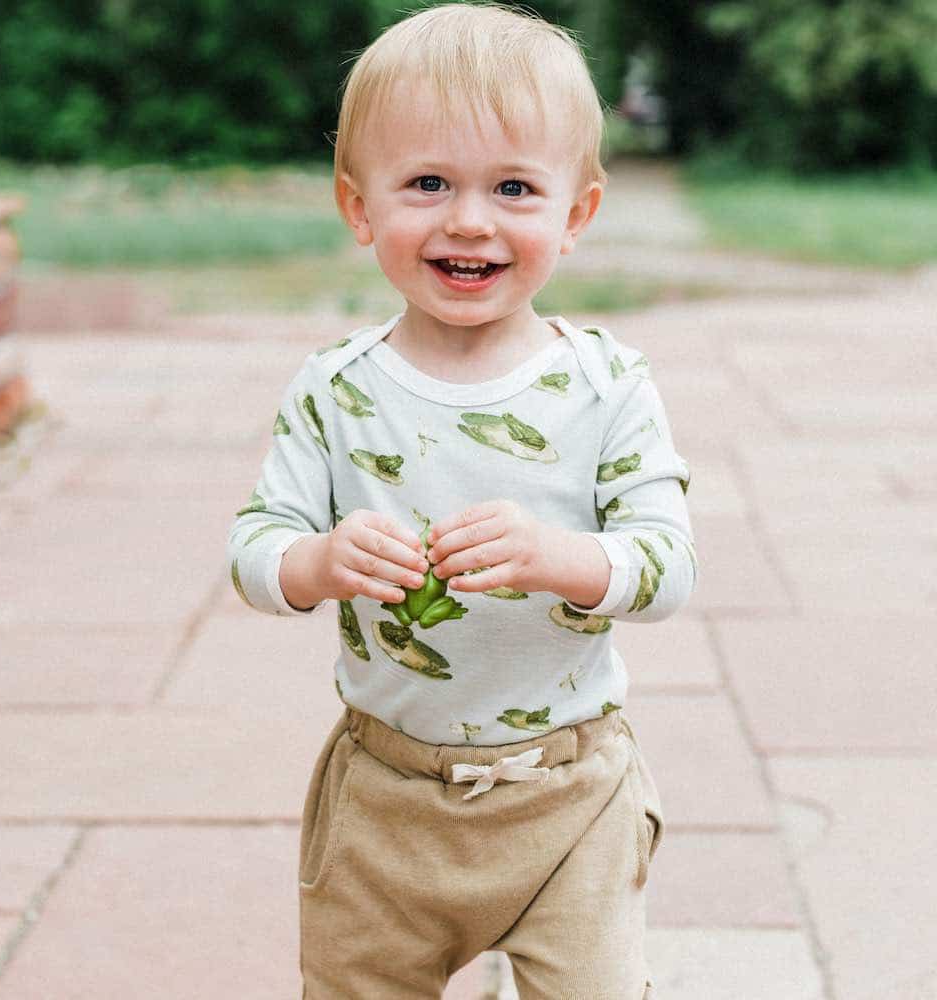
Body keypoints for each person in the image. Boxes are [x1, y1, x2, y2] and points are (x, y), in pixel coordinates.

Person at [227, 3, 698, 996]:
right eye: (428, 182)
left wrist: (559, 555)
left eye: (514, 187)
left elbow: (665, 565)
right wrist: (316, 562)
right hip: (386, 799)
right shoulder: (334, 388)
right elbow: (255, 547)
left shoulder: (607, 384)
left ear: (575, 216)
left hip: (568, 795)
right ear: (360, 208)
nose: (469, 219)